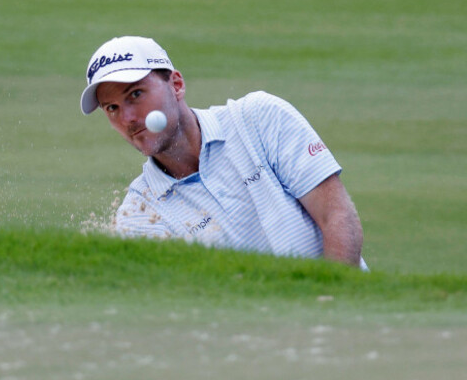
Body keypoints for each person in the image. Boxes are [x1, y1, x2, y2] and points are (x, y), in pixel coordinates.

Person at [80, 36, 367, 269]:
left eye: (135, 94)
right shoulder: (139, 216)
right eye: (112, 108)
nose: (127, 118)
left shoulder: (258, 117)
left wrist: (332, 307)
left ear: (176, 85)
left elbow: (337, 216)